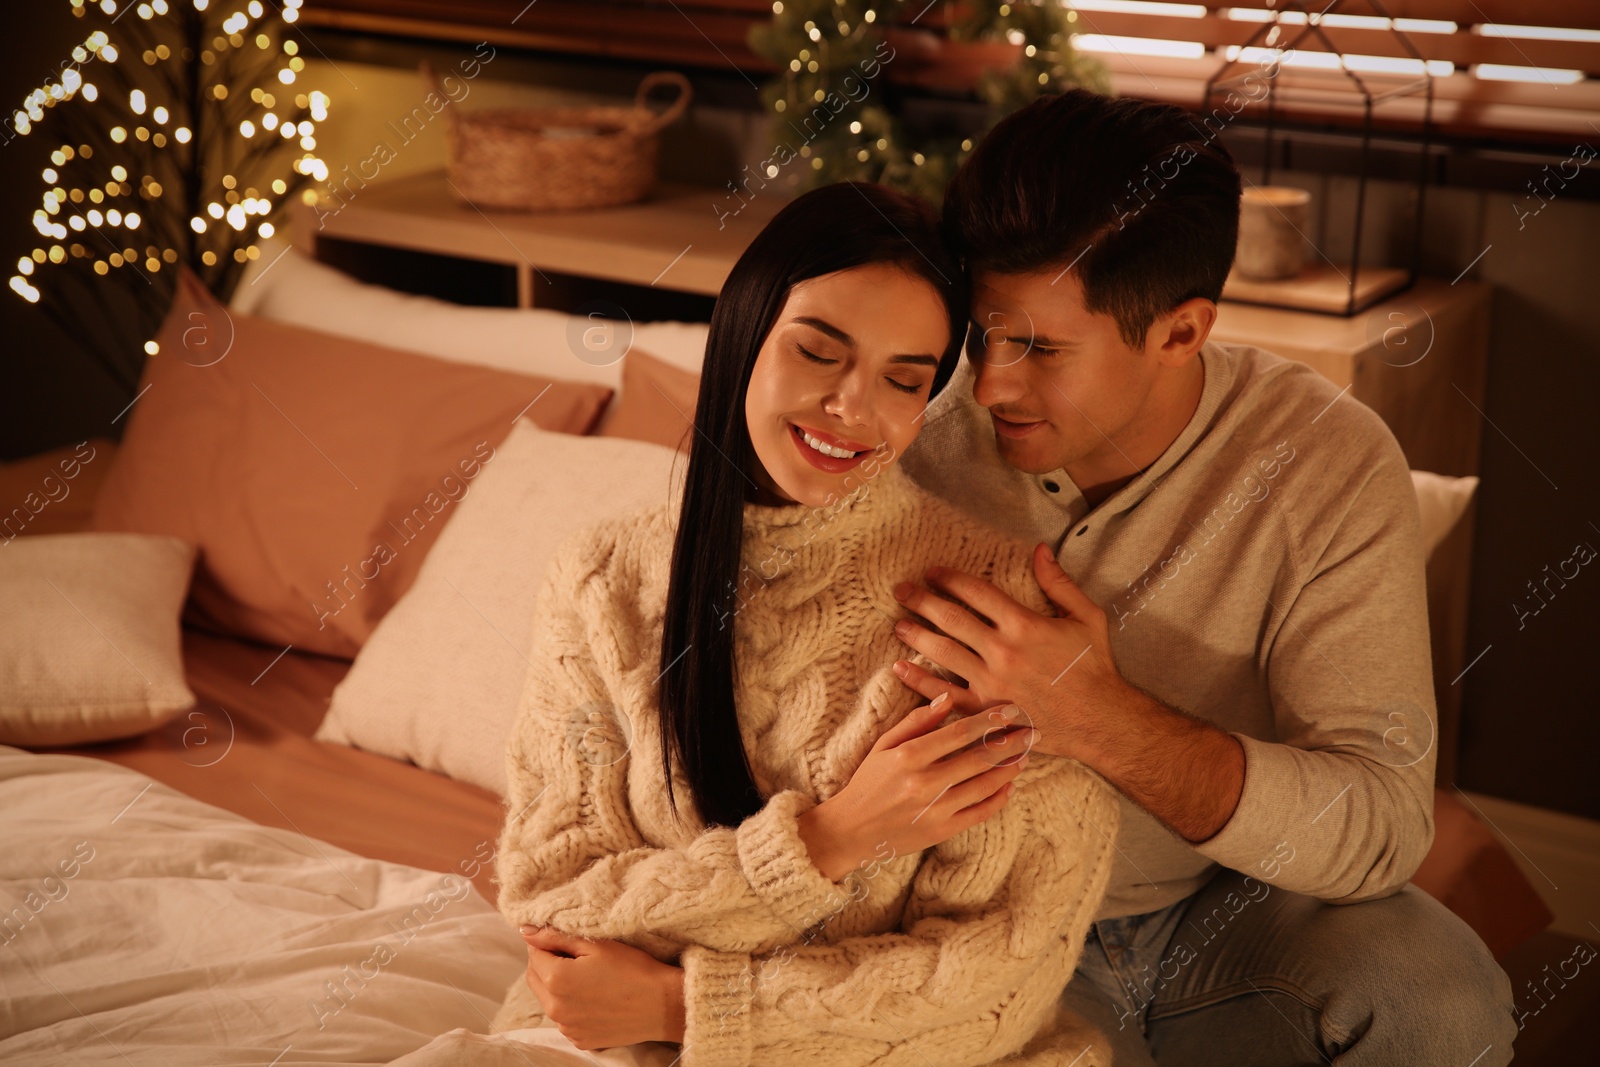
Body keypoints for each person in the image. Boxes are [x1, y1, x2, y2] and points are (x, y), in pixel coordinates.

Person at [887, 88, 1520, 1064]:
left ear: (1182, 332)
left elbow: (1384, 822)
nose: (991, 382)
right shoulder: (911, 446)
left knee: (1441, 993)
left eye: (1040, 348)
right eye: (984, 333)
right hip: (987, 930)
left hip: (1221, 916)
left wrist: (1096, 714)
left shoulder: (1325, 459)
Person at [488, 181, 1123, 1066]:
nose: (855, 409)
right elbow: (555, 905)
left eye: (905, 380)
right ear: (744, 330)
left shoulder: (995, 611)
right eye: (820, 352)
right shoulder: (607, 580)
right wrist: (829, 839)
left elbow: (999, 977)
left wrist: (684, 1005)